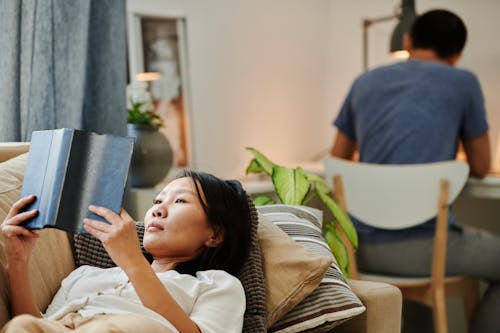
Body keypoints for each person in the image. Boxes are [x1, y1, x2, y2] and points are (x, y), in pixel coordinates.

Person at [330, 9, 500, 333]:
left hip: (359, 249)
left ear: (407, 40)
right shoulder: (463, 82)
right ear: (457, 55)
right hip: (425, 250)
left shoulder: (364, 80)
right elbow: (480, 165)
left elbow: (338, 157)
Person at [0, 170, 252, 333]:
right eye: (157, 201)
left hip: (134, 328)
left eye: (179, 201)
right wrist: (17, 262)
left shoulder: (217, 284)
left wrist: (132, 260)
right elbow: (42, 325)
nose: (158, 210)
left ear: (215, 235)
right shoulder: (85, 274)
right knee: (21, 326)